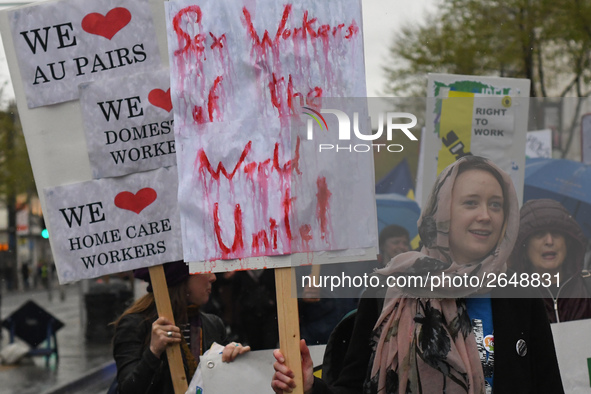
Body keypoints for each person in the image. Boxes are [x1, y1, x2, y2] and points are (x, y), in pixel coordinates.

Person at [272, 156, 563, 394]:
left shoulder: (520, 296)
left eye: (496, 204)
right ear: (443, 210)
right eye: (471, 202)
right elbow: (353, 388)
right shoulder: (389, 290)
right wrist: (310, 387)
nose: (485, 215)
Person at [112, 261, 250, 394]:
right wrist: (153, 352)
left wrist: (234, 358)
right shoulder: (135, 324)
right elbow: (127, 389)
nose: (213, 277)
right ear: (180, 278)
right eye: (204, 268)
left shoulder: (213, 324)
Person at [509, 198, 591, 323]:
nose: (549, 241)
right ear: (524, 246)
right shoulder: (508, 295)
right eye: (539, 234)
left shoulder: (587, 287)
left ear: (568, 243)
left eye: (556, 233)